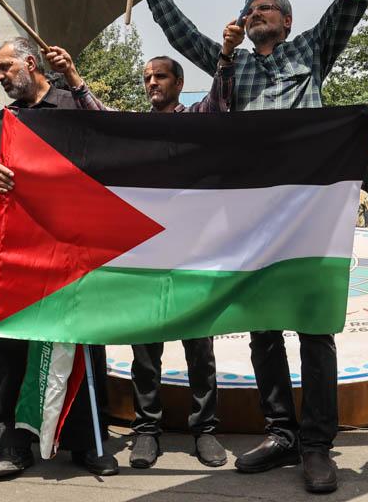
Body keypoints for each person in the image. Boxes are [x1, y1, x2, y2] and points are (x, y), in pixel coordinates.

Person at [126, 0, 368, 494]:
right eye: (248, 11)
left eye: (265, 9)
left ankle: (316, 443)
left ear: (287, 20)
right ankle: (280, 431)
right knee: (262, 322)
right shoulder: (232, 63)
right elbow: (180, 38)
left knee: (313, 325)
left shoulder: (312, 49)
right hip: (252, 208)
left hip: (307, 204)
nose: (254, 15)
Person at [0, 37, 120, 479]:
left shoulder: (70, 105)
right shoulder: (3, 121)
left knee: (80, 343)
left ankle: (88, 442)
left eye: (4, 68)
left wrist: (76, 77)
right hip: (19, 252)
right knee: (12, 349)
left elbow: (109, 140)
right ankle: (13, 445)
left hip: (73, 249)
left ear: (31, 63)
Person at [128, 50, 237, 471]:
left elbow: (219, 98)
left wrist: (225, 58)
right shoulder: (132, 131)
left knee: (199, 346)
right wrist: (74, 79)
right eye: (147, 78)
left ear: (177, 82)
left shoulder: (197, 119)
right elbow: (93, 112)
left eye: (160, 77)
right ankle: (146, 431)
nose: (152, 83)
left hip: (195, 253)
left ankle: (205, 430)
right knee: (145, 350)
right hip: (148, 253)